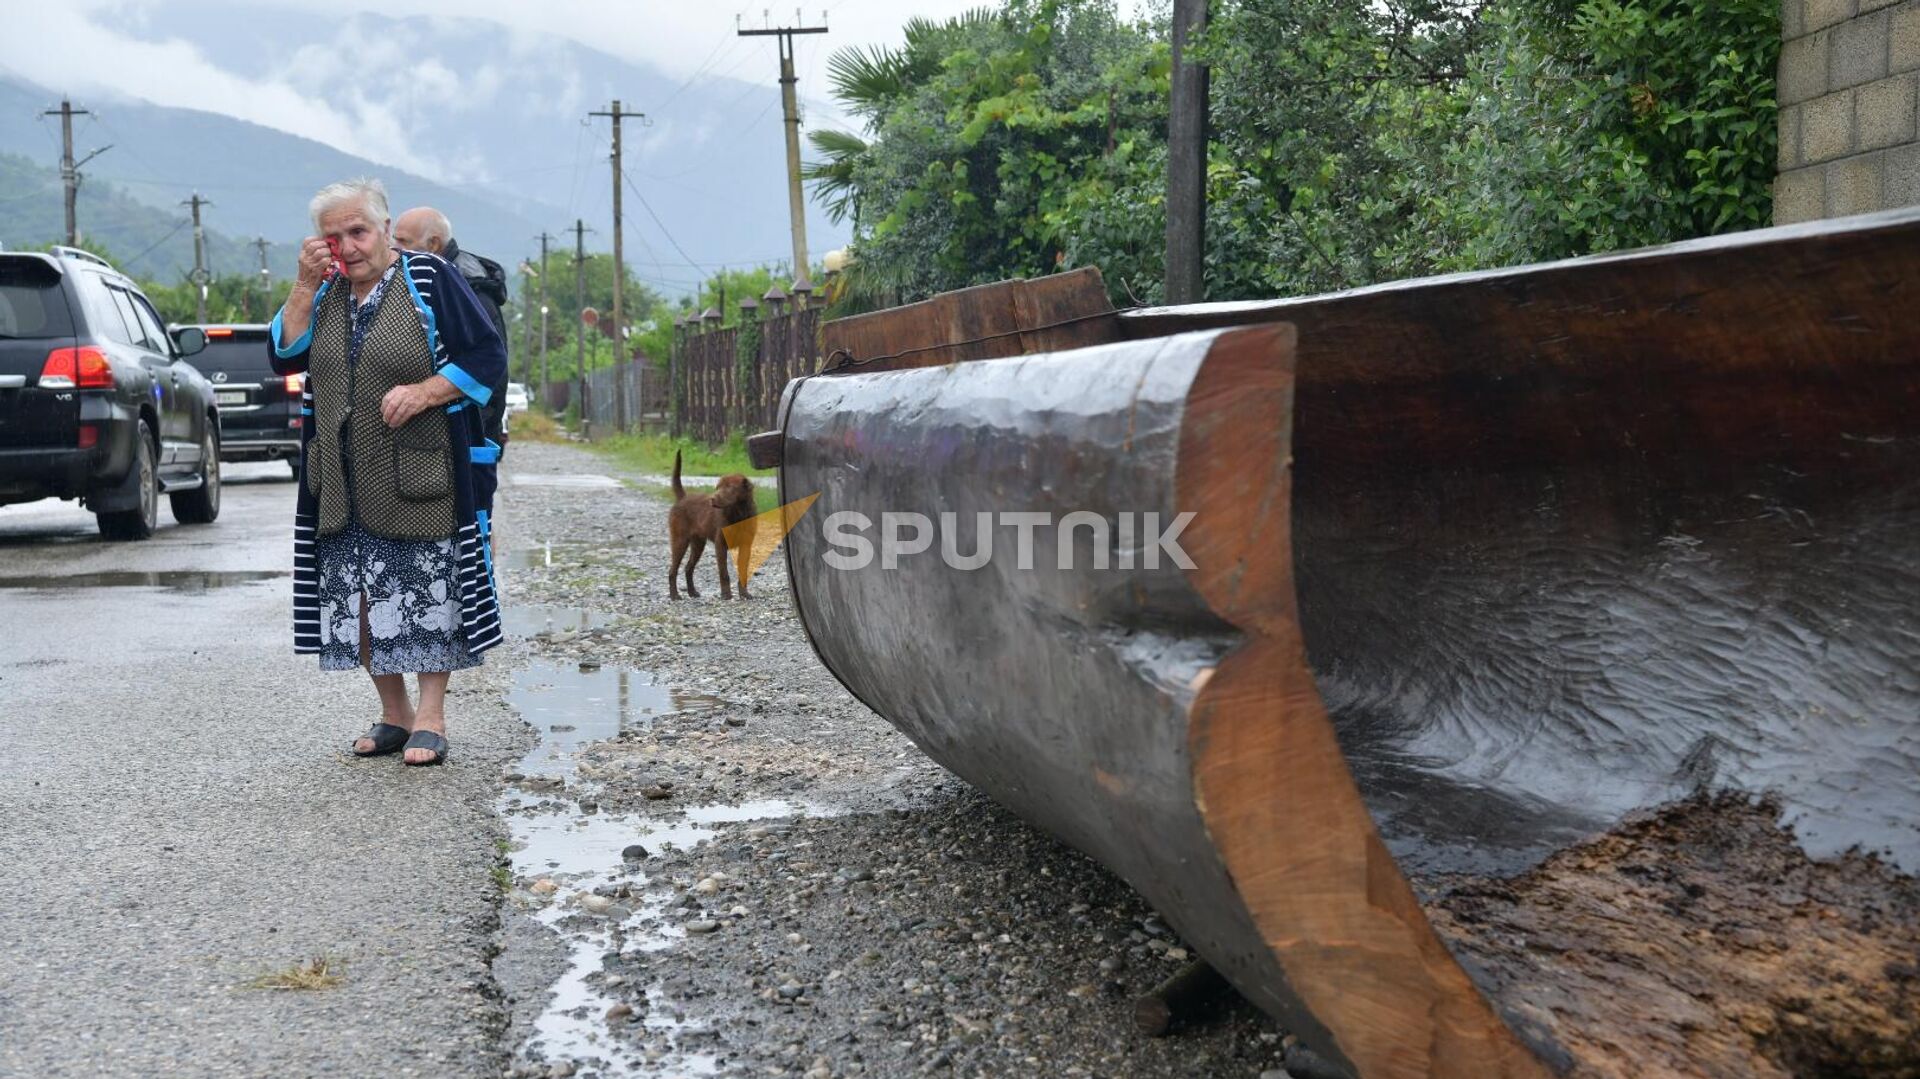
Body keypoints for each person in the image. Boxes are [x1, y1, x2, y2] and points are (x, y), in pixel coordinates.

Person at [270, 178, 507, 766]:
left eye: (359, 231)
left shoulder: (428, 278)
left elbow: (486, 356)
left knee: (427, 592)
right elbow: (284, 352)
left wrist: (429, 391)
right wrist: (302, 284)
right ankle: (394, 715)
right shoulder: (323, 292)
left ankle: (431, 717)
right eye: (335, 236)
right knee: (360, 599)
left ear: (382, 228)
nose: (348, 246)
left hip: (420, 469)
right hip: (341, 474)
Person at [393, 206, 510, 553]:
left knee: (467, 547)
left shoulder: (468, 289)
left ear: (433, 243)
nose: (394, 251)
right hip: (428, 441)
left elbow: (490, 369)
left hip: (466, 437)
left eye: (402, 242)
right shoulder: (416, 278)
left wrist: (475, 439)